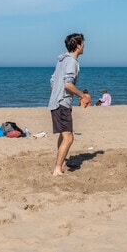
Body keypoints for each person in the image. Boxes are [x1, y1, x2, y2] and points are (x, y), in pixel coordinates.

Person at [48, 33, 91, 176]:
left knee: (63, 135)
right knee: (69, 137)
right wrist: (82, 96)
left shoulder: (62, 60)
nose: (84, 45)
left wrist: (58, 96)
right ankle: (57, 169)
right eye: (83, 43)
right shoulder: (71, 61)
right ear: (78, 45)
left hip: (57, 102)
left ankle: (62, 162)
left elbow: (53, 81)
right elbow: (67, 84)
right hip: (61, 103)